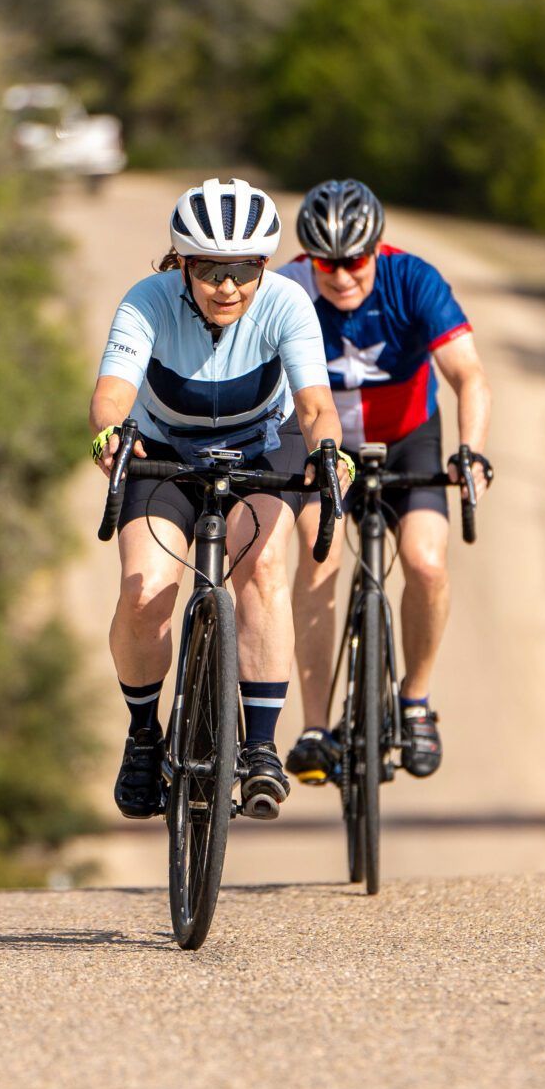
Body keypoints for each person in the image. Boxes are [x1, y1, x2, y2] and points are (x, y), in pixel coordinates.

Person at [90, 178, 348, 824]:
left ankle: (259, 744)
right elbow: (113, 390)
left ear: (263, 266)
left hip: (263, 446)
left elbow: (316, 404)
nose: (227, 286)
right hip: (162, 451)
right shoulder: (147, 300)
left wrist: (325, 451)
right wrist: (109, 432)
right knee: (144, 589)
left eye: (242, 270)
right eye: (210, 269)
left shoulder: (287, 301)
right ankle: (145, 733)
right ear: (182, 262)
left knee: (260, 565)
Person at [280, 179, 494, 781]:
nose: (342, 276)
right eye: (328, 262)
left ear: (377, 248)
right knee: (317, 560)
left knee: (426, 561)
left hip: (408, 436)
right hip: (325, 445)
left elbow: (469, 375)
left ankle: (416, 702)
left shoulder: (415, 280)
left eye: (354, 261)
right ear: (309, 258)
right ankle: (316, 728)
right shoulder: (287, 286)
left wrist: (470, 452)